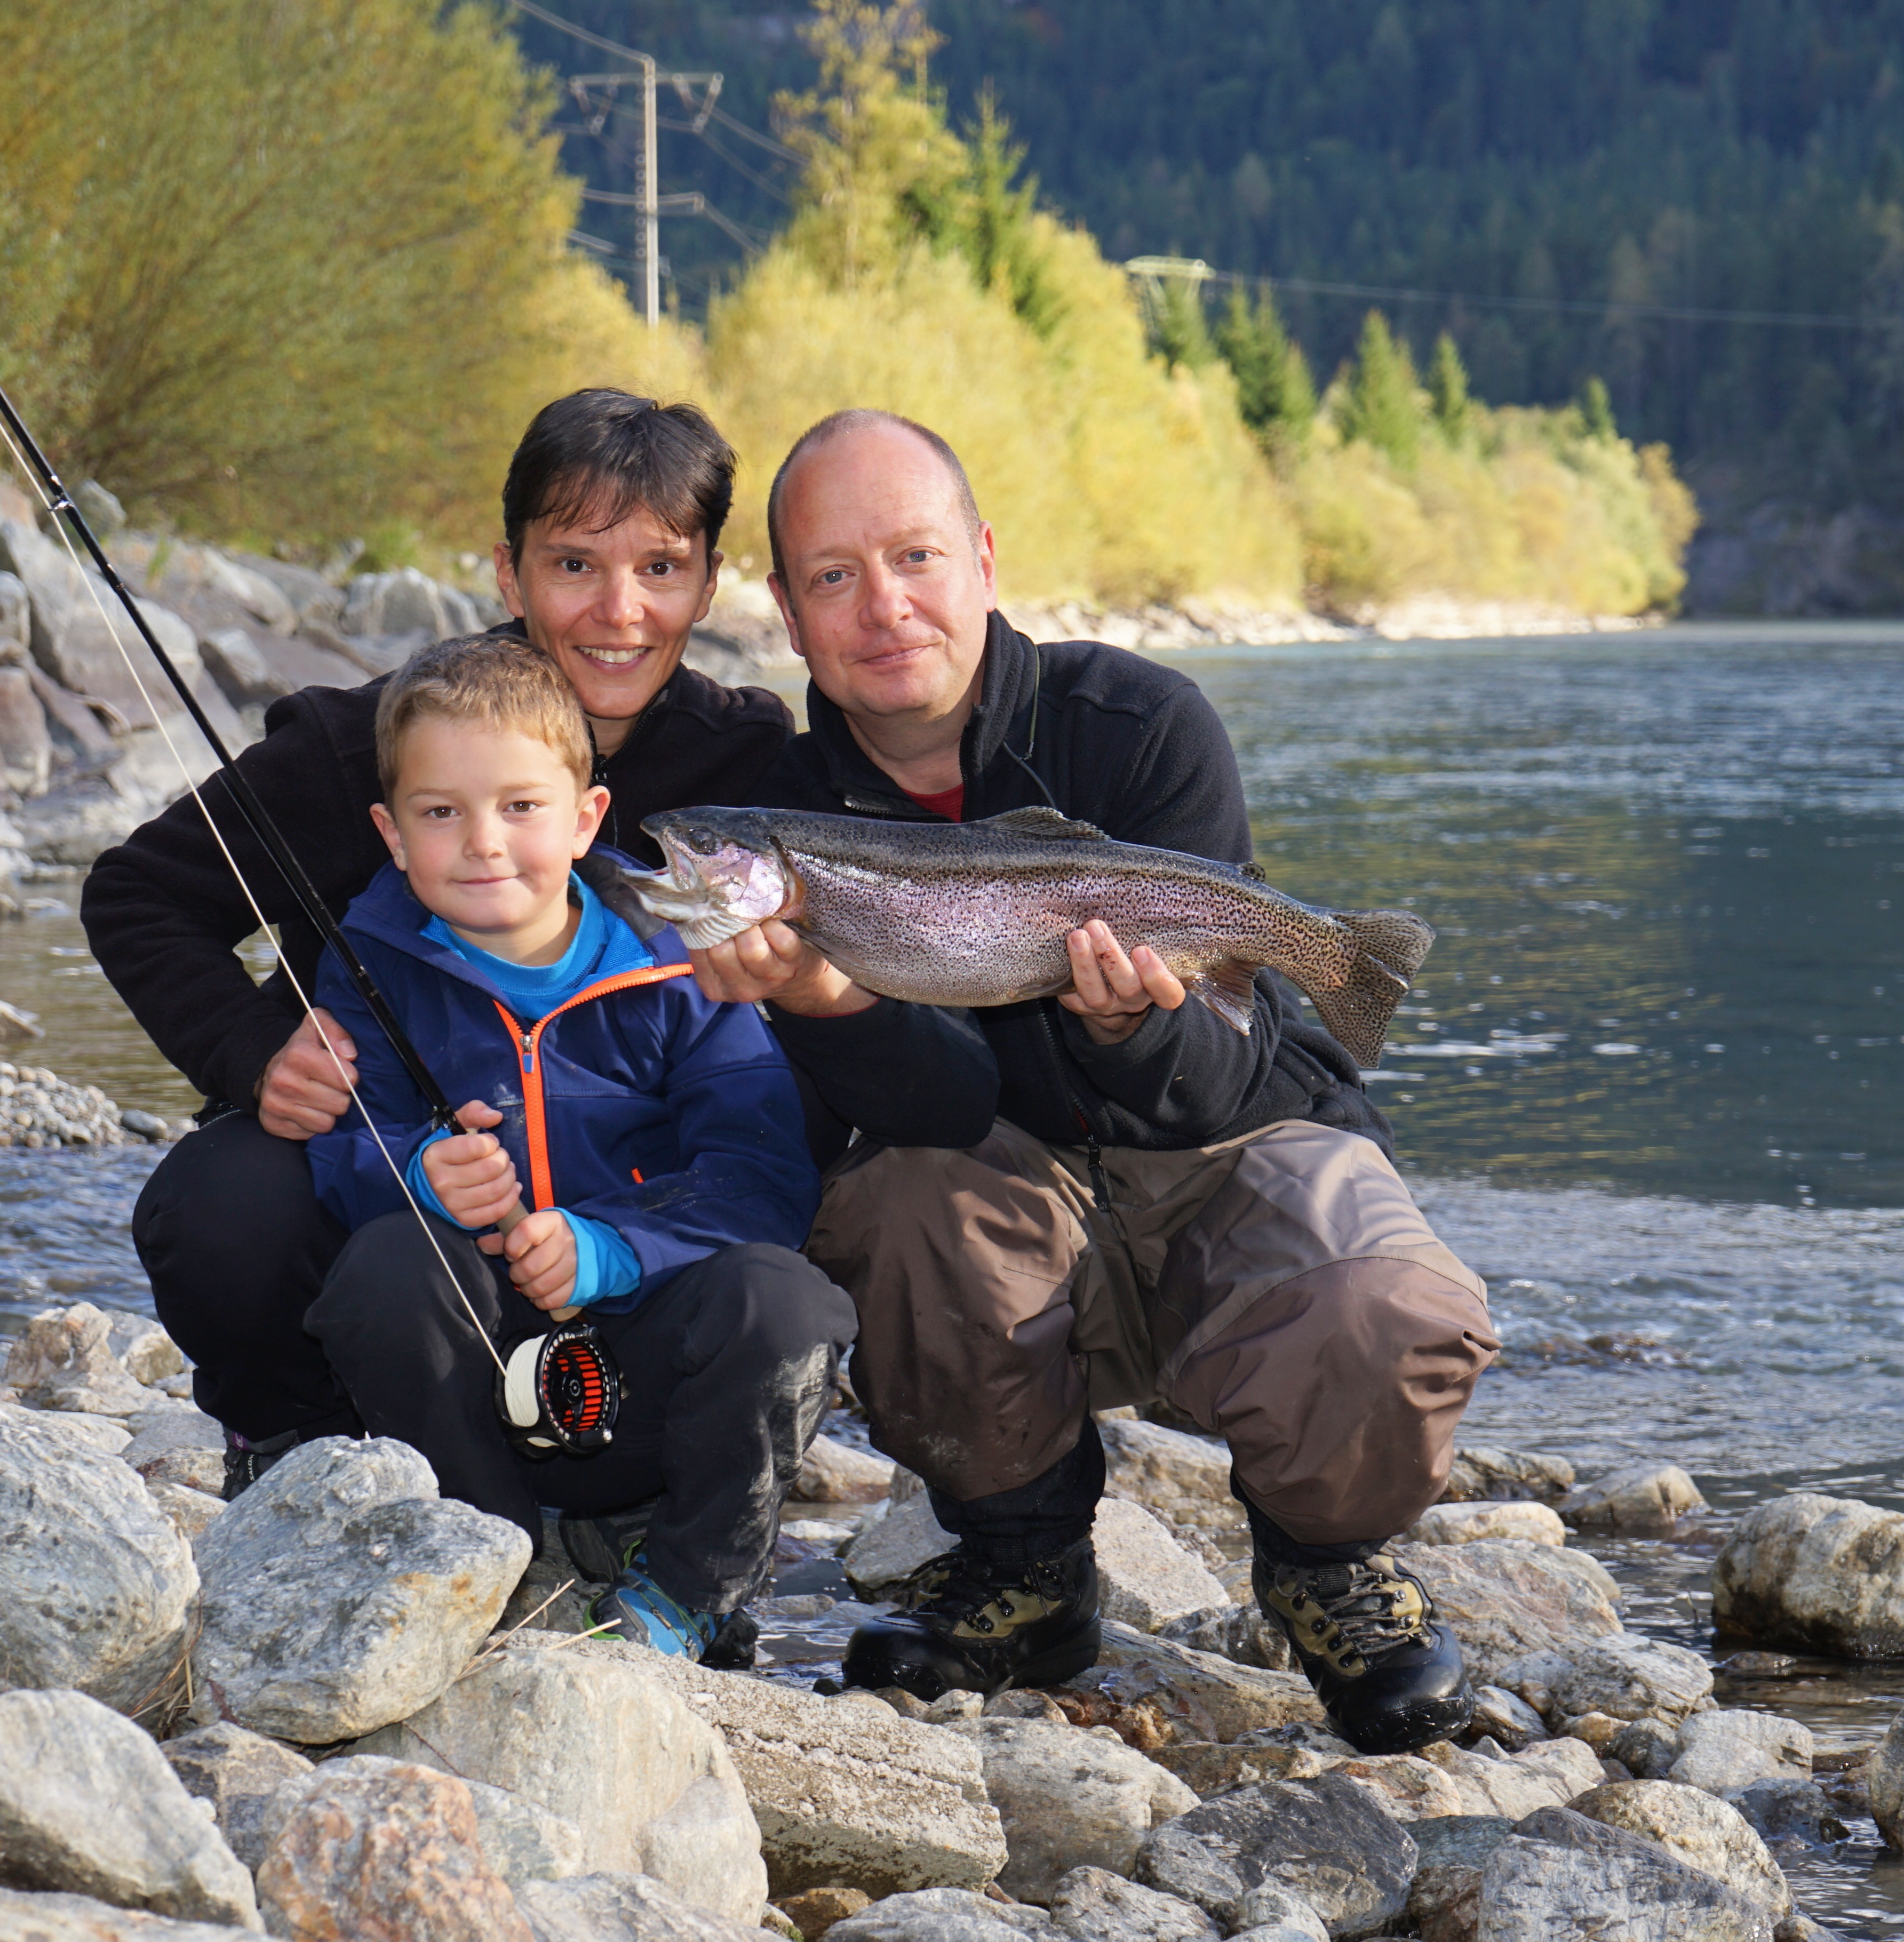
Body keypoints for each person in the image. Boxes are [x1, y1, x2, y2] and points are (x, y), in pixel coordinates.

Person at [686, 408, 1501, 1753]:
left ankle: (1323, 1561)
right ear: (784, 608)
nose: (883, 604)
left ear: (986, 559)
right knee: (887, 1212)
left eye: (914, 555)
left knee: (1390, 1299)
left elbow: (1231, 1078)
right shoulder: (788, 806)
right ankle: (1027, 1567)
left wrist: (1135, 1030)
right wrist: (825, 999)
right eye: (834, 575)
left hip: (1232, 1146)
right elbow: (923, 1117)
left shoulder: (1142, 722)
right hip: (1007, 1201)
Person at [81, 390, 793, 1496]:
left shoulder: (747, 757)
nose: (620, 611)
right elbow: (138, 895)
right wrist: (251, 1052)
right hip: (397, 1172)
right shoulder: (363, 742)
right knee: (219, 1208)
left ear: (707, 581)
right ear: (508, 575)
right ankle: (298, 1445)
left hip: (636, 1181)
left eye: (660, 568)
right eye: (574, 566)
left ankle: (663, 1476)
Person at [291, 633, 850, 1658]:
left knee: (786, 1300)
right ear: (391, 832)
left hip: (640, 1372)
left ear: (589, 817)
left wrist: (613, 1247)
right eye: (440, 813)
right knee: (384, 1265)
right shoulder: (365, 962)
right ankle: (497, 1566)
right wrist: (415, 1172)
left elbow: (762, 1173)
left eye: (521, 807)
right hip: (474, 1385)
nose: (483, 843)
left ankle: (687, 1592)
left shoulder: (681, 967)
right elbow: (334, 1156)